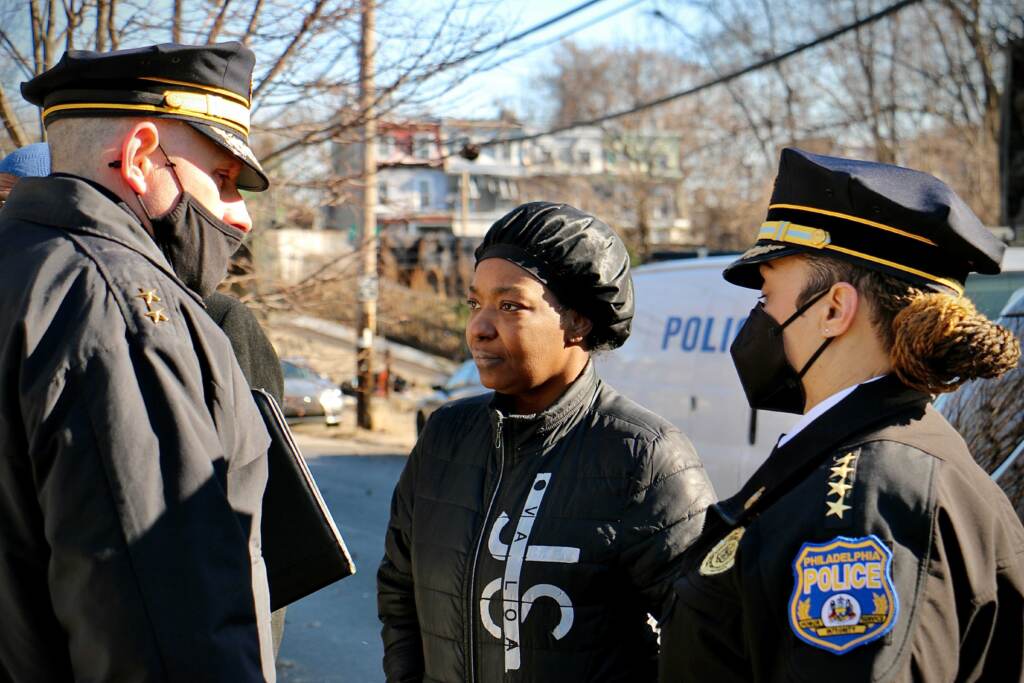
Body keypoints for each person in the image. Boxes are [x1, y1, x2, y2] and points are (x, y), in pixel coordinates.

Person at [658, 148, 1024, 681]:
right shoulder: (881, 458)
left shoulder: (867, 500)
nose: (759, 318)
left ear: (833, 310)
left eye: (767, 295)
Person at [0, 43, 276, 680]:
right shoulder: (117, 307)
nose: (241, 215)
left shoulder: (24, 271)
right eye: (227, 179)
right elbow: (163, 632)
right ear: (139, 154)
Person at [378, 201, 716, 682]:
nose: (479, 326)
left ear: (578, 321)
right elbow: (399, 590)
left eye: (510, 305)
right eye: (475, 303)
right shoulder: (445, 436)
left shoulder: (643, 456)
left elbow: (707, 641)